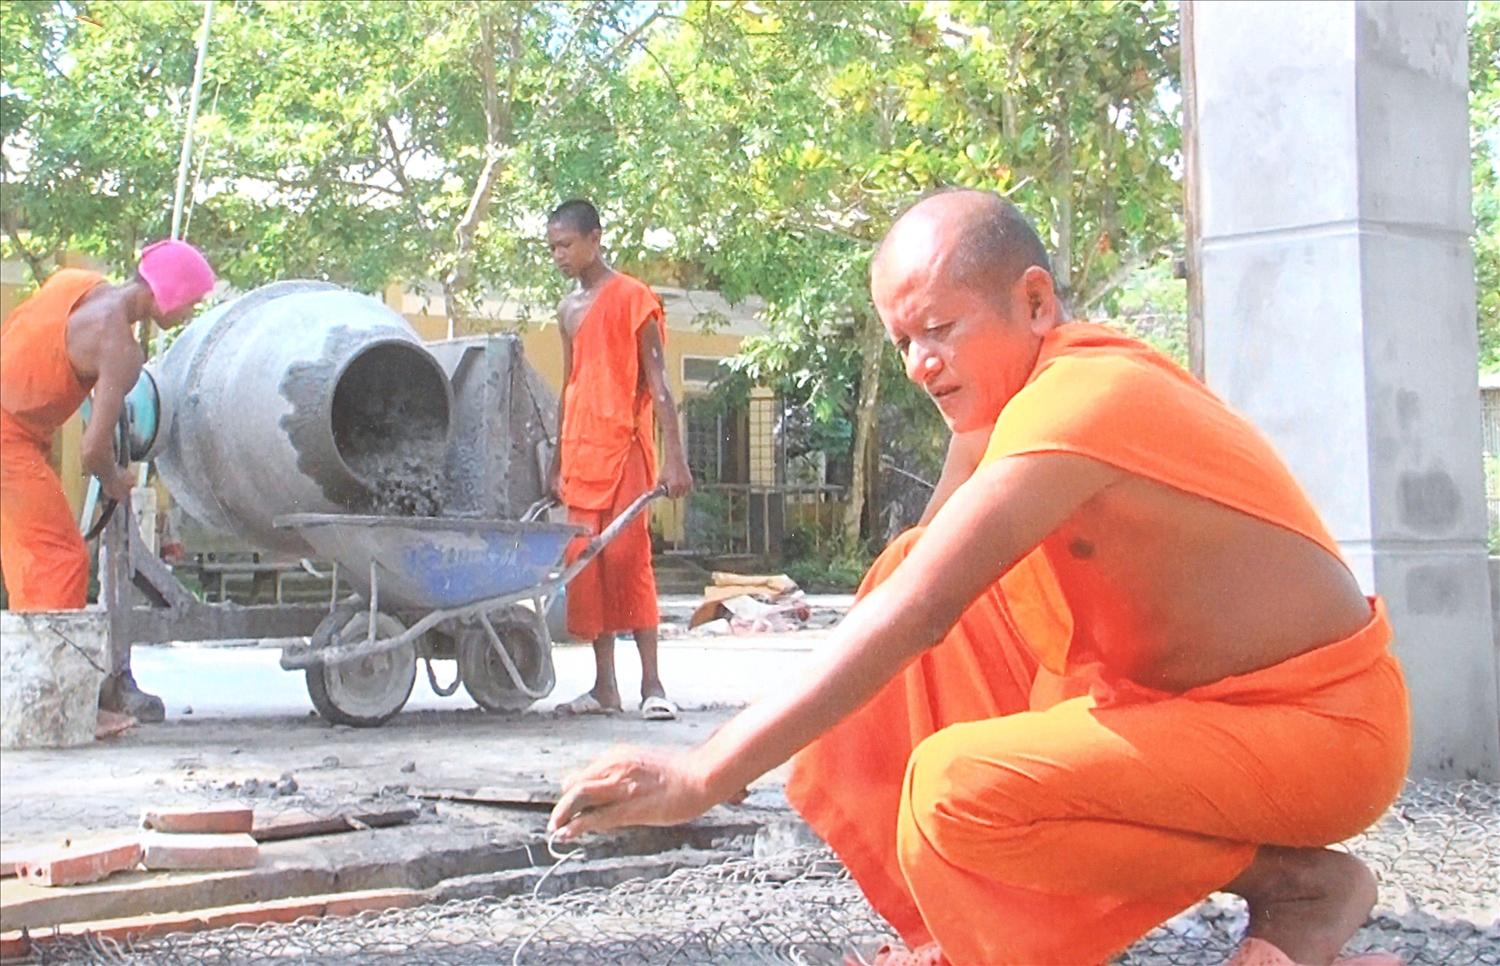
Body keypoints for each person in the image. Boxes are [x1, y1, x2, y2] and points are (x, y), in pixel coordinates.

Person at [547, 190, 1410, 966]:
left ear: (1034, 302)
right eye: (903, 341)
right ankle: (961, 935)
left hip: (1317, 732)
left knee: (957, 788)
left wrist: (702, 774)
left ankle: (1293, 884)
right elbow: (920, 584)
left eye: (940, 329)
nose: (920, 363)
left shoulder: (1085, 398)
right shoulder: (1000, 413)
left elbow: (922, 612)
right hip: (1170, 708)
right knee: (902, 567)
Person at [1, 240, 217, 723]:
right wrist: (115, 479)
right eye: (191, 301)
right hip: (9, 438)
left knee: (29, 560)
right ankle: (59, 704)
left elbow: (32, 341)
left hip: (20, 430)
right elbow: (92, 450)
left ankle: (23, 691)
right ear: (167, 295)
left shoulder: (75, 283)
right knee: (61, 559)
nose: (191, 312)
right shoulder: (120, 349)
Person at [546, 199, 694, 721]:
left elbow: (660, 382)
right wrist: (556, 460)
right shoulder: (567, 310)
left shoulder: (633, 298)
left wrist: (675, 459)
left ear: (595, 239)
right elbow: (570, 385)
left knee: (629, 560)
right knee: (586, 567)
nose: (559, 255)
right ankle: (604, 687)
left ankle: (652, 684)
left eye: (567, 245)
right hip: (581, 452)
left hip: (626, 447)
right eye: (553, 248)